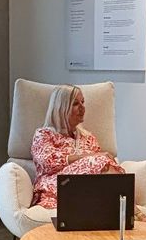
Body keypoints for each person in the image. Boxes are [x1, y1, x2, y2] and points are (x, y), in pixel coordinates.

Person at [31, 85, 140, 215]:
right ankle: (134, 213)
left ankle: (127, 211)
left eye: (83, 102)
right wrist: (87, 157)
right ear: (61, 108)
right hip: (58, 186)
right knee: (100, 161)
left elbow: (102, 167)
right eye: (75, 103)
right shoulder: (44, 134)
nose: (82, 107)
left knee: (105, 165)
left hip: (88, 190)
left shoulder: (87, 137)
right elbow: (48, 162)